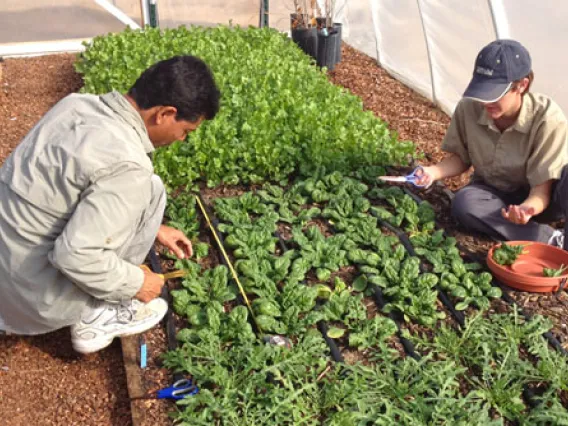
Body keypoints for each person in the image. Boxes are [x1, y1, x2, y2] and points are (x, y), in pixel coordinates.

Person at [0, 55, 220, 354]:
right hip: (32, 298)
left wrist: (152, 227)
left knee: (149, 191)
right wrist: (137, 283)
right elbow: (74, 257)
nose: (182, 139)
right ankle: (95, 316)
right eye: (186, 131)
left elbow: (59, 192)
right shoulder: (127, 164)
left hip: (8, 269)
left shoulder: (76, 105)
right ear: (165, 113)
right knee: (147, 186)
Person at [416, 39, 568, 250]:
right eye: (482, 91)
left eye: (494, 94)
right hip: (493, 193)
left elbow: (541, 192)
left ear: (522, 85)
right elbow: (461, 159)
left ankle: (561, 242)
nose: (485, 102)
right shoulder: (469, 108)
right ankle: (549, 239)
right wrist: (431, 172)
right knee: (465, 204)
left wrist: (526, 210)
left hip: (542, 198)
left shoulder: (547, 118)